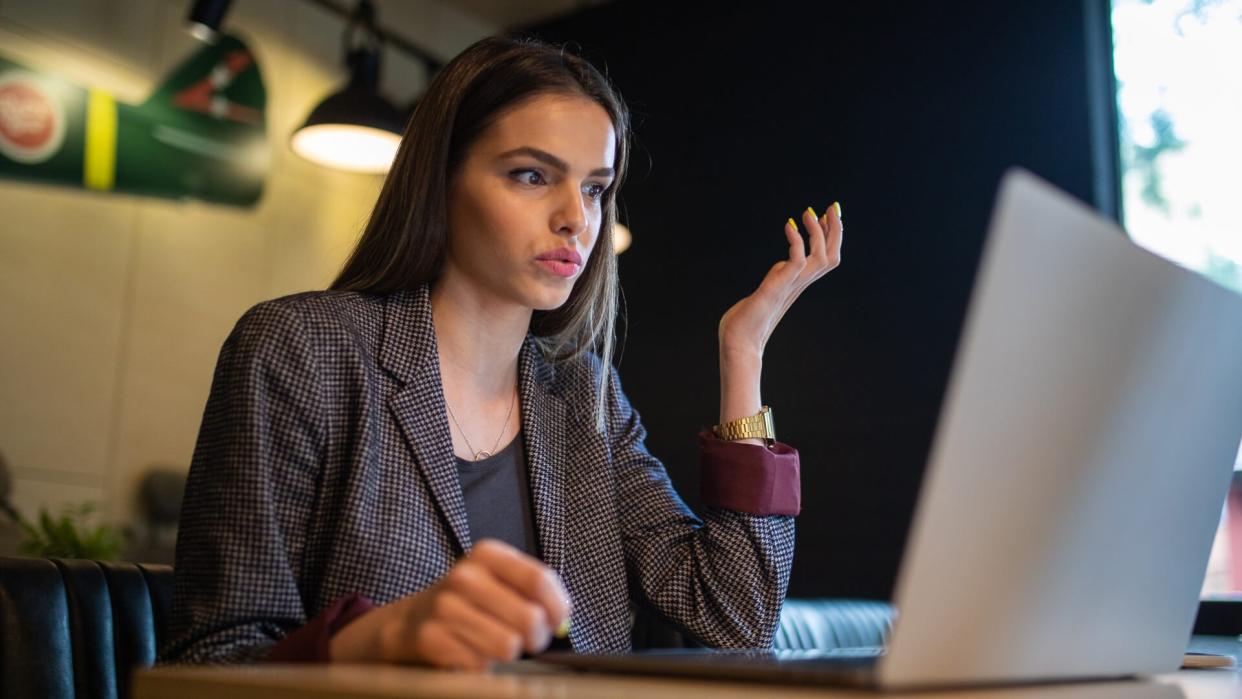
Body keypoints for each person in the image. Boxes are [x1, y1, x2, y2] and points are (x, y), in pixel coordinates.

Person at [159, 35, 843, 670]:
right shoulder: (302, 350)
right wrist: (385, 637)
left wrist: (742, 351)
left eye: (595, 188)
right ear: (442, 179)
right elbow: (212, 656)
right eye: (530, 175)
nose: (577, 217)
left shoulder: (584, 396)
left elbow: (738, 619)